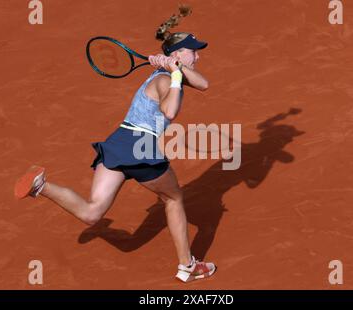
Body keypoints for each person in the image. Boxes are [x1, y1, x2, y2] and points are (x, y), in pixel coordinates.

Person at [14, 5, 216, 283]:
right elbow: (170, 112)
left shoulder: (170, 73)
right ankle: (187, 267)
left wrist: (177, 68)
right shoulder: (165, 81)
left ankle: (41, 185)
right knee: (173, 198)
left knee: (92, 212)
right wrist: (176, 74)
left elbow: (204, 84)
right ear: (179, 53)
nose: (198, 55)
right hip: (141, 148)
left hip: (119, 142)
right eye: (193, 51)